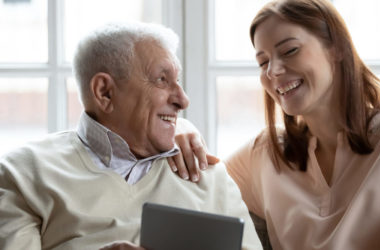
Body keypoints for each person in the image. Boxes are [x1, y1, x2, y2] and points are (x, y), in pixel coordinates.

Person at [170, 0, 380, 249]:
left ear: (336, 48)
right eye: (263, 61)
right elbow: (185, 195)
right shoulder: (266, 152)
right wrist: (180, 128)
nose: (273, 70)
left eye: (289, 50)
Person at [0, 22, 262, 250]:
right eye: (162, 79)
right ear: (105, 92)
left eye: (178, 80)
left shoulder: (209, 175)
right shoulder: (22, 174)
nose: (183, 99)